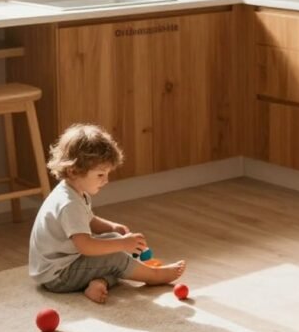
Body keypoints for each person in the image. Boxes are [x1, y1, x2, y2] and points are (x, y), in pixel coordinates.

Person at [29, 123, 186, 304]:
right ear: (73, 171)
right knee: (116, 256)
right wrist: (122, 244)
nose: (106, 180)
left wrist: (112, 228)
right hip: (58, 276)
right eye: (100, 175)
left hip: (63, 264)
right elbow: (85, 246)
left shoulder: (74, 190)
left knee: (112, 240)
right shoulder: (69, 204)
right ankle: (153, 275)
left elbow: (88, 220)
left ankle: (98, 282)